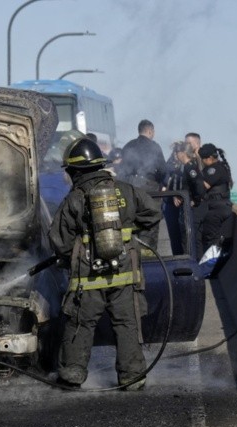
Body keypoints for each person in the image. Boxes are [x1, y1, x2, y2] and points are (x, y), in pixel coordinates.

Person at [49, 137, 161, 390]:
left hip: (87, 278)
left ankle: (72, 375)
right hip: (125, 273)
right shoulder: (126, 190)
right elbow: (153, 213)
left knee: (80, 323)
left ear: (75, 171)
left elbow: (58, 238)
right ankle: (132, 378)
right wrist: (131, 236)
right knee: (127, 323)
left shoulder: (74, 199)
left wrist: (71, 257)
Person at [198, 144, 233, 252]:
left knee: (210, 240)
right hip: (220, 206)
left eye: (202, 159)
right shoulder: (221, 166)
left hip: (216, 208)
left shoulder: (213, 169)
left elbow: (203, 187)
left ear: (209, 158)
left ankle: (209, 267)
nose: (202, 162)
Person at [119, 119, 167, 193]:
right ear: (150, 132)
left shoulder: (128, 145)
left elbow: (122, 170)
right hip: (149, 188)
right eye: (153, 131)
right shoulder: (154, 146)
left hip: (130, 188)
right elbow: (163, 170)